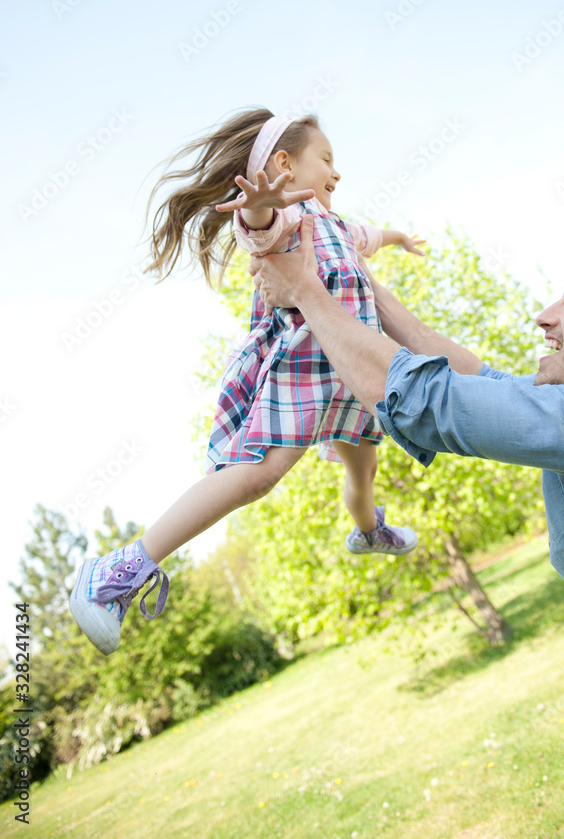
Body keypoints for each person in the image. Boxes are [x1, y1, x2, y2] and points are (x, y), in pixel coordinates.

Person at [251, 217, 564, 809]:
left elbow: (428, 401)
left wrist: (306, 294)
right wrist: (360, 284)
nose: (545, 315)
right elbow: (481, 382)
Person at [70, 108, 424, 658]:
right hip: (305, 367)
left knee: (364, 467)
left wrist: (399, 237)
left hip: (354, 371)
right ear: (284, 164)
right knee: (259, 477)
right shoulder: (284, 219)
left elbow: (370, 235)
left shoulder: (338, 225)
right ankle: (116, 572)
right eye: (326, 159)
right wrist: (262, 201)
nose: (337, 172)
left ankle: (369, 531)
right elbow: (258, 223)